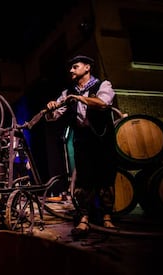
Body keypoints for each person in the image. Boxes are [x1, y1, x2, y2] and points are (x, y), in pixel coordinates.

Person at [45, 55, 118, 238]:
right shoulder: (67, 91)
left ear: (87, 68)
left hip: (101, 138)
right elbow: (54, 115)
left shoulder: (102, 85)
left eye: (75, 67)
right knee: (84, 179)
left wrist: (79, 98)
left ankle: (107, 217)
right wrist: (52, 107)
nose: (71, 70)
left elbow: (103, 103)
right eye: (70, 68)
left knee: (105, 177)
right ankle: (84, 218)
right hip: (82, 139)